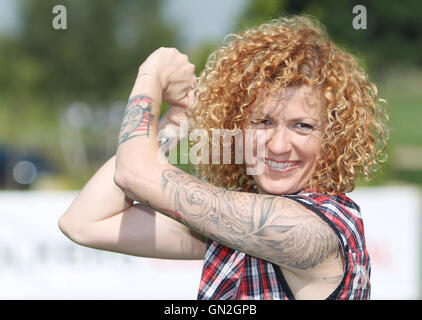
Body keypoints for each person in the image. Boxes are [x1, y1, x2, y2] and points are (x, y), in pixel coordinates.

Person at [59, 15, 389, 300]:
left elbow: (134, 173)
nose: (277, 145)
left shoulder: (308, 230)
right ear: (237, 126)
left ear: (333, 139)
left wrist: (150, 76)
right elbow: (84, 222)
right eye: (263, 122)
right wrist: (175, 122)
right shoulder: (239, 226)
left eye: (302, 126)